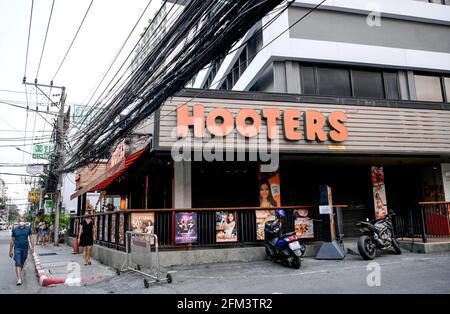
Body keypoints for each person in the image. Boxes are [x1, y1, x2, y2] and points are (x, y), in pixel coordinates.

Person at [9, 217, 34, 285]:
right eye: (20, 221)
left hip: (25, 248)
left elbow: (31, 238)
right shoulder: (15, 229)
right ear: (18, 222)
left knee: (22, 262)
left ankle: (18, 274)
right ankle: (19, 278)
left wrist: (32, 247)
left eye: (23, 221)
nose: (21, 222)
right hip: (17, 248)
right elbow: (12, 240)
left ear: (25, 222)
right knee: (18, 262)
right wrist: (10, 250)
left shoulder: (28, 229)